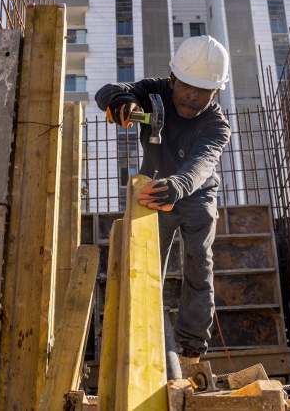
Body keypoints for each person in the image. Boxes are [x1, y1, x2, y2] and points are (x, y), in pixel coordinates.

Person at [95, 35, 231, 362]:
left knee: (199, 262)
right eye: (186, 86)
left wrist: (178, 186)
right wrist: (122, 103)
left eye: (203, 91)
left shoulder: (216, 125)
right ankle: (143, 334)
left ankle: (190, 347)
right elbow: (106, 92)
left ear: (216, 93)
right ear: (172, 79)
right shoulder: (154, 91)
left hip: (195, 196)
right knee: (146, 263)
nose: (192, 96)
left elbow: (201, 164)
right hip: (155, 190)